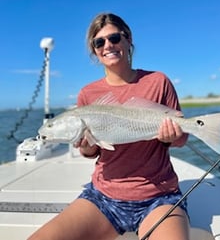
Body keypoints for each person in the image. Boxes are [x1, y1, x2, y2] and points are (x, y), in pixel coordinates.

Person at [28, 13, 190, 240]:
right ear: (94, 50)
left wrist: (168, 136)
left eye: (114, 38)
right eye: (99, 42)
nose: (108, 45)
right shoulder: (88, 93)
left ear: (128, 40)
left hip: (159, 196)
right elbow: (92, 151)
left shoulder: (157, 81)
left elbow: (181, 140)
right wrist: (85, 146)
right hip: (104, 197)